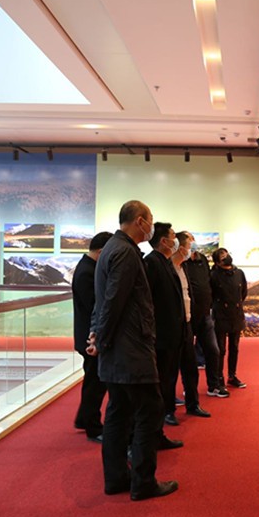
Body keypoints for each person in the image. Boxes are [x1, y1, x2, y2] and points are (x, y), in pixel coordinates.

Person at [88, 200, 177, 501]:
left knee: (118, 413)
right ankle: (143, 482)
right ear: (140, 221)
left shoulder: (112, 249)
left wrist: (98, 335)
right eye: (150, 219)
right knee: (150, 411)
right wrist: (102, 339)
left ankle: (116, 478)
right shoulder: (125, 252)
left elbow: (102, 301)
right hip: (130, 350)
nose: (151, 225)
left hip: (118, 350)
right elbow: (113, 301)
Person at [144, 224, 210, 427]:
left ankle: (193, 404)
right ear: (166, 242)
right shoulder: (154, 263)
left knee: (190, 368)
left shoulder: (183, 267)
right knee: (168, 372)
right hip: (166, 329)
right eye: (174, 236)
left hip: (185, 325)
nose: (191, 248)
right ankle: (168, 410)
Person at [72, 231, 112, 443]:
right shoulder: (87, 272)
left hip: (88, 336)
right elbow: (93, 307)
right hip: (90, 338)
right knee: (95, 384)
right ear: (102, 251)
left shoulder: (88, 268)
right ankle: (92, 426)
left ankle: (84, 419)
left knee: (93, 381)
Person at [179, 232, 225, 398]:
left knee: (213, 350)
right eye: (190, 241)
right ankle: (190, 389)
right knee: (188, 357)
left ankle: (214, 386)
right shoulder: (180, 262)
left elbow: (207, 282)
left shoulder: (203, 260)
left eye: (193, 240)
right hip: (188, 316)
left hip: (205, 315)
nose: (193, 243)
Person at [210, 247, 248, 390]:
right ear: (217, 263)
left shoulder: (239, 273)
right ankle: (219, 379)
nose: (226, 258)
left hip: (236, 314)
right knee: (220, 349)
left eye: (226, 255)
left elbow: (243, 292)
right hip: (220, 315)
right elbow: (211, 295)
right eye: (222, 257)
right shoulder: (214, 275)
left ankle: (232, 376)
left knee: (234, 347)